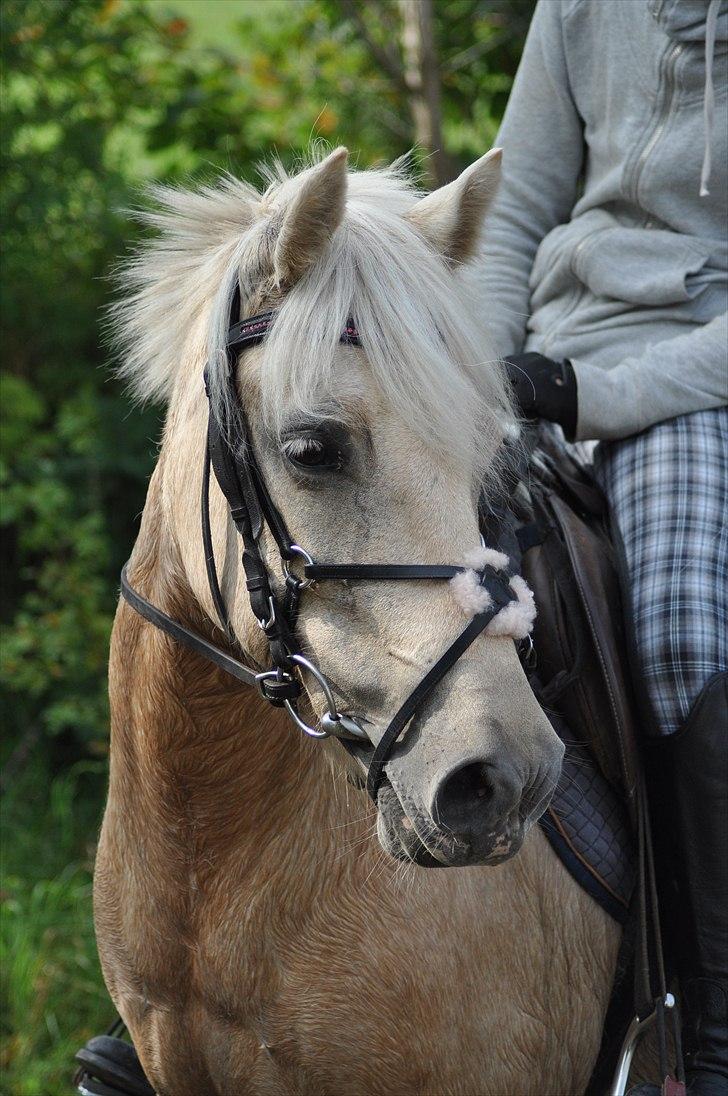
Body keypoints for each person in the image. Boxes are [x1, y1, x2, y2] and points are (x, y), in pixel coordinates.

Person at [475, 1, 728, 1092]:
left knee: (675, 635)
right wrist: (472, 377)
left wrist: (592, 394)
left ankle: (707, 1032)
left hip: (687, 372)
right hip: (541, 356)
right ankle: (181, 1004)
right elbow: (511, 209)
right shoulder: (579, 6)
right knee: (345, 557)